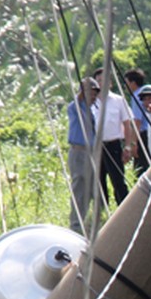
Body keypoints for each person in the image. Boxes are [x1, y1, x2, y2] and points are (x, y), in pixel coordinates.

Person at [92, 67, 135, 207]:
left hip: (113, 145)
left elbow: (127, 124)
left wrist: (128, 146)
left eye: (104, 80)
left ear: (110, 83)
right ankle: (102, 211)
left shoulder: (118, 100)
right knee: (98, 181)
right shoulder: (90, 103)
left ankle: (124, 208)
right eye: (98, 81)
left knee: (118, 180)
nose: (101, 83)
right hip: (96, 147)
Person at [67, 77, 99, 234]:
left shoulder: (91, 110)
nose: (93, 98)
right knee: (79, 187)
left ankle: (88, 221)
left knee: (92, 188)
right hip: (79, 151)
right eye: (90, 94)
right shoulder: (76, 107)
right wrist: (84, 88)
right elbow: (78, 98)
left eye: (95, 95)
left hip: (91, 152)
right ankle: (76, 225)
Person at [124, 68, 150, 176]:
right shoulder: (146, 93)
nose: (125, 86)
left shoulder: (137, 96)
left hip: (143, 135)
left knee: (141, 168)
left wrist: (133, 143)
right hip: (150, 133)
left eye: (126, 83)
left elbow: (137, 121)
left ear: (133, 83)